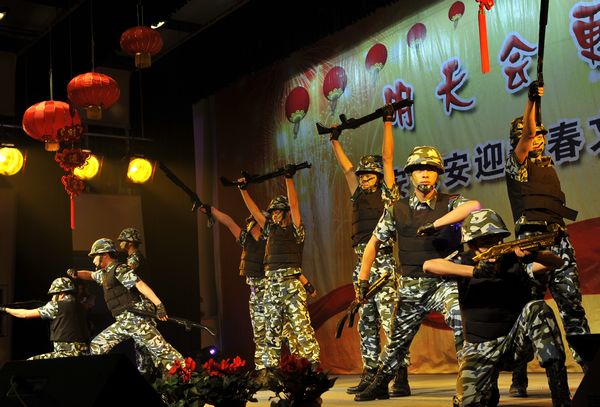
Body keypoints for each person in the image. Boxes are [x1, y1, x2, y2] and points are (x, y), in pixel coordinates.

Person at [355, 141, 481, 401]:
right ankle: (381, 383)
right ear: (411, 174)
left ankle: (469, 382)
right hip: (411, 285)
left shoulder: (450, 202)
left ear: (438, 174)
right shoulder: (397, 209)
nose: (425, 174)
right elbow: (373, 244)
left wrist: (436, 224)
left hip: (444, 282)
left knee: (460, 318)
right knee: (396, 342)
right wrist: (363, 281)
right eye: (419, 169)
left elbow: (474, 206)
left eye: (431, 169)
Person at [423, 208, 571, 407]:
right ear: (472, 243)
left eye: (494, 239)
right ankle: (488, 387)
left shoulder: (512, 258)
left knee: (538, 309)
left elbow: (556, 262)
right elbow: (429, 265)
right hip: (480, 347)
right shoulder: (465, 260)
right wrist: (475, 271)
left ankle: (561, 397)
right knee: (468, 402)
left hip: (514, 342)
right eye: (484, 242)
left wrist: (533, 255)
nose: (491, 245)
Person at [505, 81, 590, 395]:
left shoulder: (548, 168)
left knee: (573, 310)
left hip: (559, 243)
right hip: (531, 247)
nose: (537, 138)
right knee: (528, 311)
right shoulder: (516, 165)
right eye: (532, 134)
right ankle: (519, 375)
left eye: (542, 134)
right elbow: (526, 135)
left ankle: (591, 371)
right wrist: (531, 102)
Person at [329, 112, 399, 395]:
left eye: (370, 174)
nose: (364, 178)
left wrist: (387, 122)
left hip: (383, 263)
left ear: (379, 177)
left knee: (390, 321)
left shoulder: (388, 194)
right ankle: (370, 372)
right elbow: (346, 169)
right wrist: (334, 140)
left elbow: (388, 158)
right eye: (362, 175)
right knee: (366, 321)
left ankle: (399, 375)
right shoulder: (357, 194)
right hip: (362, 265)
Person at [202, 206, 314, 372]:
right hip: (256, 294)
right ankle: (265, 370)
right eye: (253, 221)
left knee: (288, 333)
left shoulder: (271, 239)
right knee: (261, 334)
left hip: (271, 290)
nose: (253, 224)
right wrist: (212, 211)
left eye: (257, 221)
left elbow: (287, 264)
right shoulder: (246, 239)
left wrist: (306, 284)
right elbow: (229, 222)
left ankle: (300, 367)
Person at [238, 168, 320, 368]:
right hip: (272, 287)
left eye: (278, 211)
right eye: (273, 212)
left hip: (291, 286)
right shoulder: (269, 230)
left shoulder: (296, 230)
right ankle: (270, 370)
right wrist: (243, 190)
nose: (274, 215)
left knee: (301, 329)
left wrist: (288, 179)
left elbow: (295, 204)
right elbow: (254, 212)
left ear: (286, 213)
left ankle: (312, 366)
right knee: (271, 332)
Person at [68, 238, 183, 374]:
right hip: (123, 320)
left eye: (95, 256)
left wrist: (159, 305)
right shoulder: (105, 274)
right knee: (98, 346)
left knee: (161, 351)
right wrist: (76, 274)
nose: (93, 260)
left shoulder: (119, 269)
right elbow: (90, 275)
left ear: (105, 255)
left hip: (135, 318)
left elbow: (140, 285)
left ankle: (187, 375)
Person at [0, 277, 90, 359]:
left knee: (29, 364)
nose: (52, 298)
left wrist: (5, 309)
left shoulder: (56, 306)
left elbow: (25, 314)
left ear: (61, 294)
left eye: (53, 295)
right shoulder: (81, 306)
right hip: (84, 354)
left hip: (65, 354)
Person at [116, 227, 158, 381]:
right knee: (142, 343)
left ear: (130, 242)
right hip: (141, 304)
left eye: (122, 240)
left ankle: (148, 376)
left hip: (143, 305)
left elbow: (126, 276)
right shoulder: (134, 257)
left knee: (144, 342)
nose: (120, 243)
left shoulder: (135, 258)